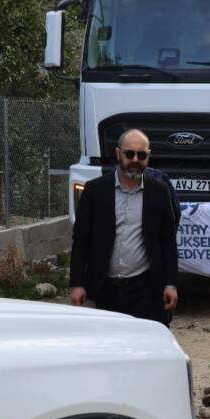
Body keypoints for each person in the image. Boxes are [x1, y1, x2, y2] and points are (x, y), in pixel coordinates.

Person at [69, 129, 179, 325]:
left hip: (145, 288)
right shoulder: (95, 191)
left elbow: (168, 241)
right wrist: (77, 283)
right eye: (130, 154)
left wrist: (171, 284)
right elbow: (81, 240)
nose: (135, 159)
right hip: (105, 289)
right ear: (118, 154)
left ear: (148, 156)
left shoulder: (159, 191)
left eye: (142, 155)